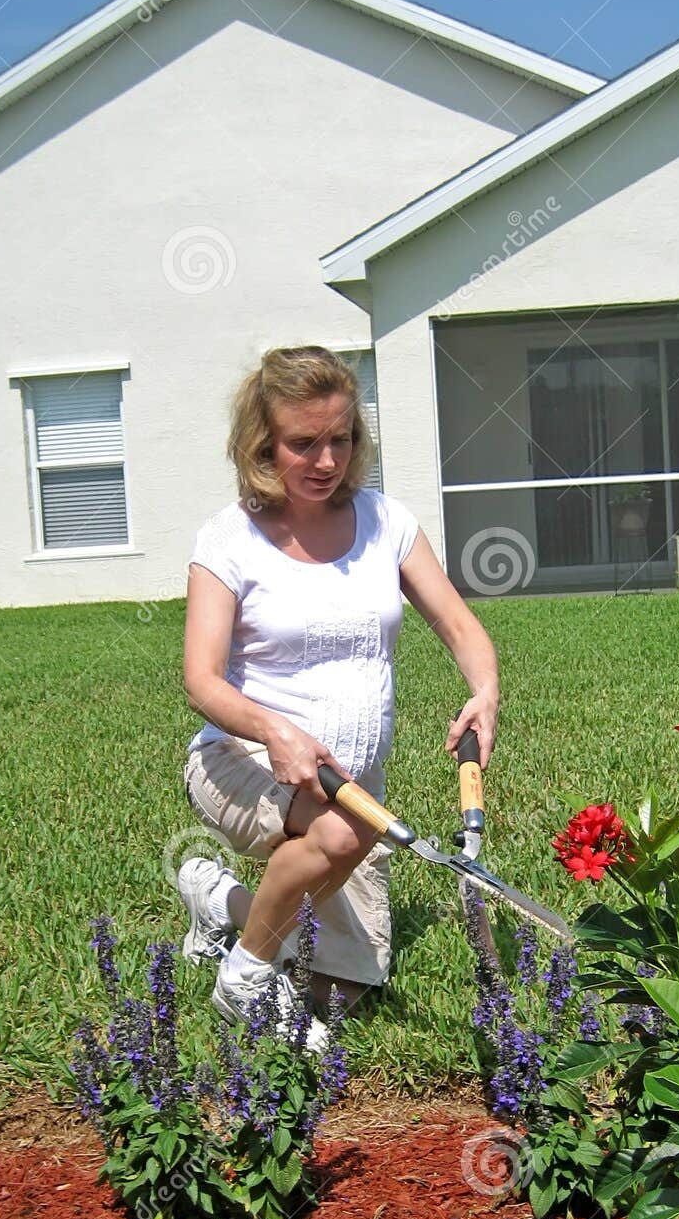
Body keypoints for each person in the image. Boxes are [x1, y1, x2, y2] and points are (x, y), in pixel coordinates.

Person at [176, 345, 499, 1038]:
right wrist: (274, 732)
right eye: (303, 444)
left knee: (345, 989)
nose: (327, 461)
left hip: (351, 784)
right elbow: (200, 680)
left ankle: (221, 904)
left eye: (341, 439)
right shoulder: (229, 539)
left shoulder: (387, 523)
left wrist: (485, 688)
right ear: (262, 445)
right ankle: (245, 980)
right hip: (242, 762)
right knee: (340, 834)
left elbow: (459, 624)